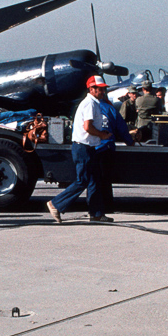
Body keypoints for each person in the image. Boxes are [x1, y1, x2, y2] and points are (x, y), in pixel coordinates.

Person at [47, 75, 123, 224]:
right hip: (83, 147)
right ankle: (56, 203)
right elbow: (87, 127)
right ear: (92, 89)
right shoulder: (90, 104)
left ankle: (96, 213)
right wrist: (103, 135)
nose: (103, 91)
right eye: (100, 89)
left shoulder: (94, 103)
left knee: (94, 180)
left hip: (89, 147)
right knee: (83, 180)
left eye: (103, 89)